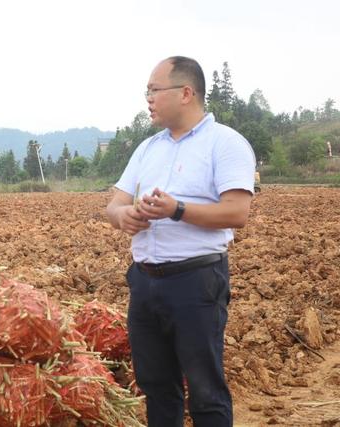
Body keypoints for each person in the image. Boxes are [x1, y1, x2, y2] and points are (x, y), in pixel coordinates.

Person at [106, 56, 255, 427]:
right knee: (156, 386)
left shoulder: (226, 143)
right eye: (148, 91)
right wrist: (123, 216)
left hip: (196, 283)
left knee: (205, 392)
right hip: (144, 282)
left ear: (186, 92)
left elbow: (237, 212)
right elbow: (115, 203)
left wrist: (177, 210)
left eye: (154, 90)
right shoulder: (148, 148)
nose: (148, 99)